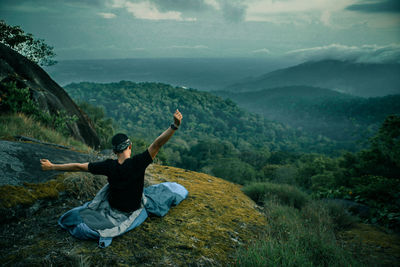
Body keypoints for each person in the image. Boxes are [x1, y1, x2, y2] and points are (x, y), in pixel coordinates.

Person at [41, 109, 183, 213]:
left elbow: (78, 166)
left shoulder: (108, 166)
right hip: (133, 208)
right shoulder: (138, 163)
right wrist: (174, 126)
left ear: (114, 151)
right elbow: (157, 144)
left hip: (115, 207)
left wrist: (52, 166)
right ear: (130, 147)